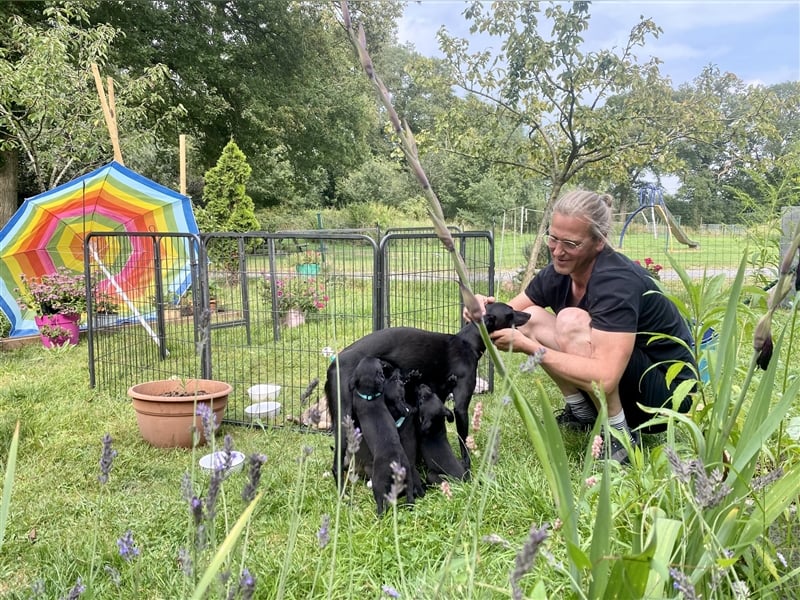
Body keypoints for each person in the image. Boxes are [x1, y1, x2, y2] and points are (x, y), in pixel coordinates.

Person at [472, 190, 696, 463]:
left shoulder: (616, 282)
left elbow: (606, 377)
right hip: (627, 379)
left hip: (665, 396)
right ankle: (583, 413)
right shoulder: (558, 272)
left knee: (570, 321)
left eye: (571, 243)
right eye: (553, 238)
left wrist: (530, 348)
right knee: (532, 317)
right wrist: (480, 311)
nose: (557, 250)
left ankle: (619, 435)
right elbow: (512, 313)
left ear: (599, 242)